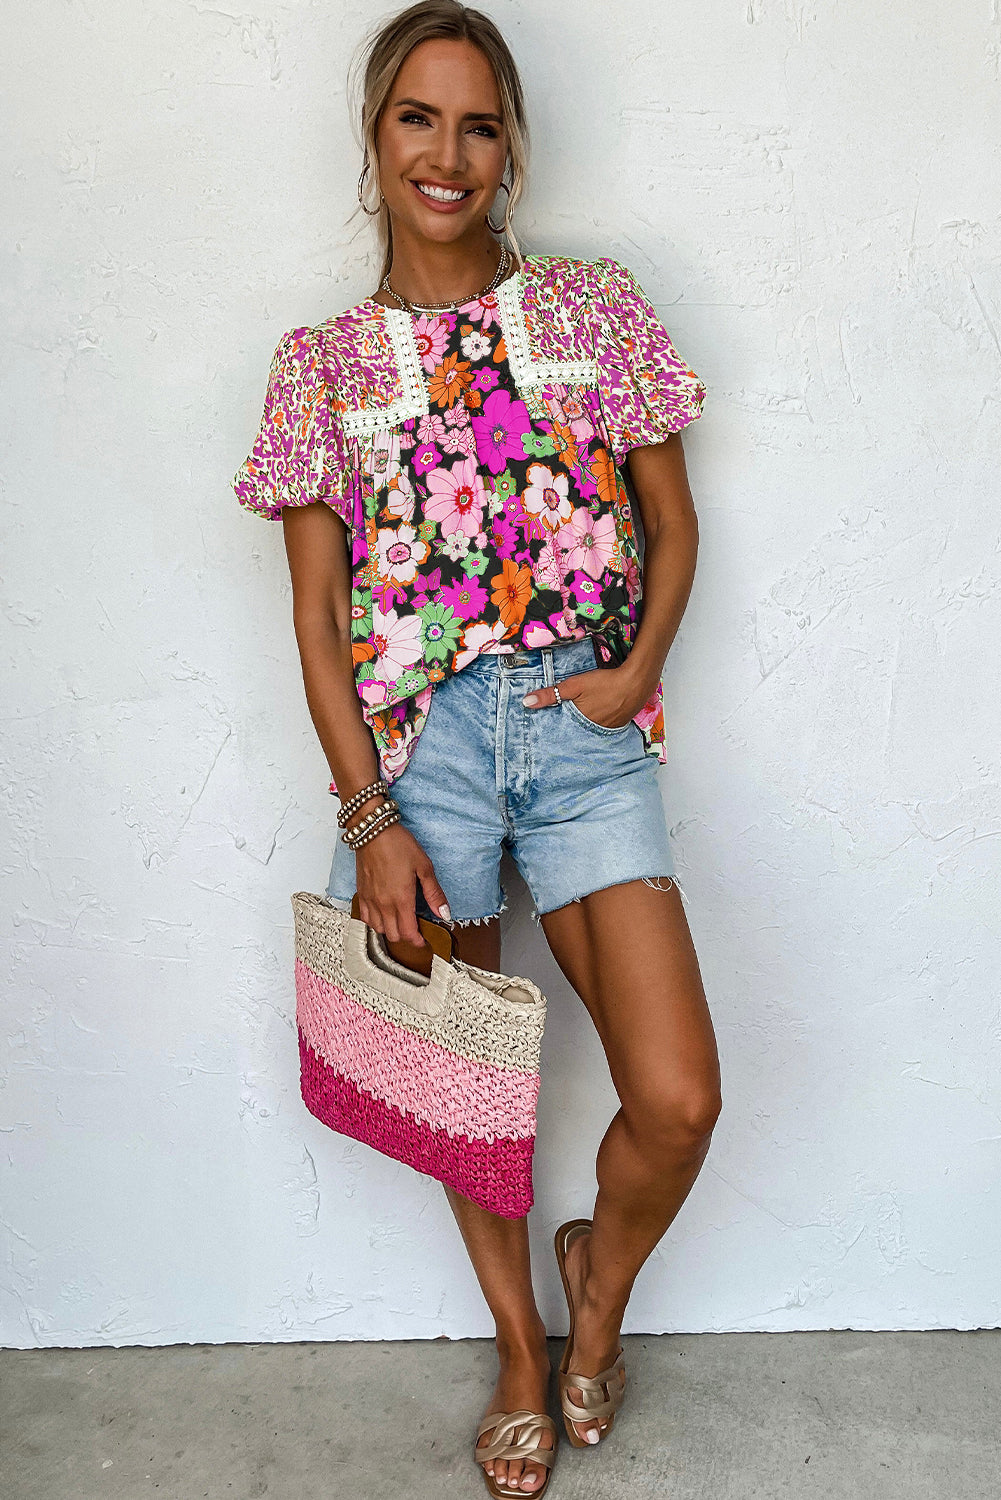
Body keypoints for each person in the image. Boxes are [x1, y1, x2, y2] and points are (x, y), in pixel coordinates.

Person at [233, 3, 721, 1494]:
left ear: (509, 149)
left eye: (479, 124)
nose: (446, 154)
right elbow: (317, 620)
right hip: (422, 754)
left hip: (580, 731)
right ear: (374, 138)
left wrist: (632, 673)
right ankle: (520, 1350)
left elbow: (672, 523)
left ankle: (596, 1291)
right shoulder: (320, 368)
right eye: (417, 118)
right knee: (468, 1094)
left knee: (678, 1098)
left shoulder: (591, 311)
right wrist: (370, 815)